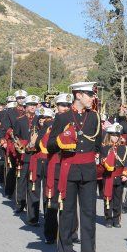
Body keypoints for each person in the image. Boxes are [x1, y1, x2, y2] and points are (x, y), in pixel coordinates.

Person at [47, 82, 102, 252]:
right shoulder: (63, 118)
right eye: (89, 94)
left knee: (89, 214)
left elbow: (98, 145)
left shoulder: (95, 117)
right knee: (67, 214)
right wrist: (62, 140)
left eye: (92, 95)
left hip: (88, 170)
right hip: (69, 169)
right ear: (78, 95)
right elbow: (51, 145)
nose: (92, 98)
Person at [43, 93, 73, 244]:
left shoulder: (76, 123)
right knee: (53, 202)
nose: (66, 108)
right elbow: (44, 146)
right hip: (55, 164)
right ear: (56, 106)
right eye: (63, 105)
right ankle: (50, 233)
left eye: (68, 105)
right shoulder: (49, 124)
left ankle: (70, 233)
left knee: (70, 203)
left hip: (71, 166)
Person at [13, 95, 41, 219]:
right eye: (30, 105)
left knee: (33, 184)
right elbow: (16, 137)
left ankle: (32, 213)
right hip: (24, 154)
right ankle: (20, 203)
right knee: (22, 180)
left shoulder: (40, 119)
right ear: (25, 107)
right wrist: (23, 145)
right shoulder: (19, 120)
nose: (32, 108)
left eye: (34, 105)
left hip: (36, 155)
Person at [99, 123, 127, 228]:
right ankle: (108, 218)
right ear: (109, 135)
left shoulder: (124, 148)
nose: (115, 137)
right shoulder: (104, 147)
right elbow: (101, 160)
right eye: (113, 135)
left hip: (119, 176)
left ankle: (116, 219)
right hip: (108, 175)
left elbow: (126, 162)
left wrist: (125, 174)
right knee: (108, 198)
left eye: (117, 135)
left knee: (117, 199)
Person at [0, 90, 28, 200]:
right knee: (12, 168)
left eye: (22, 98)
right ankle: (9, 190)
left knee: (24, 169)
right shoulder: (10, 112)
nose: (21, 100)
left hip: (26, 143)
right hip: (13, 143)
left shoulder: (29, 111)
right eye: (19, 98)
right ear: (16, 100)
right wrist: (11, 135)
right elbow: (5, 126)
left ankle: (22, 195)